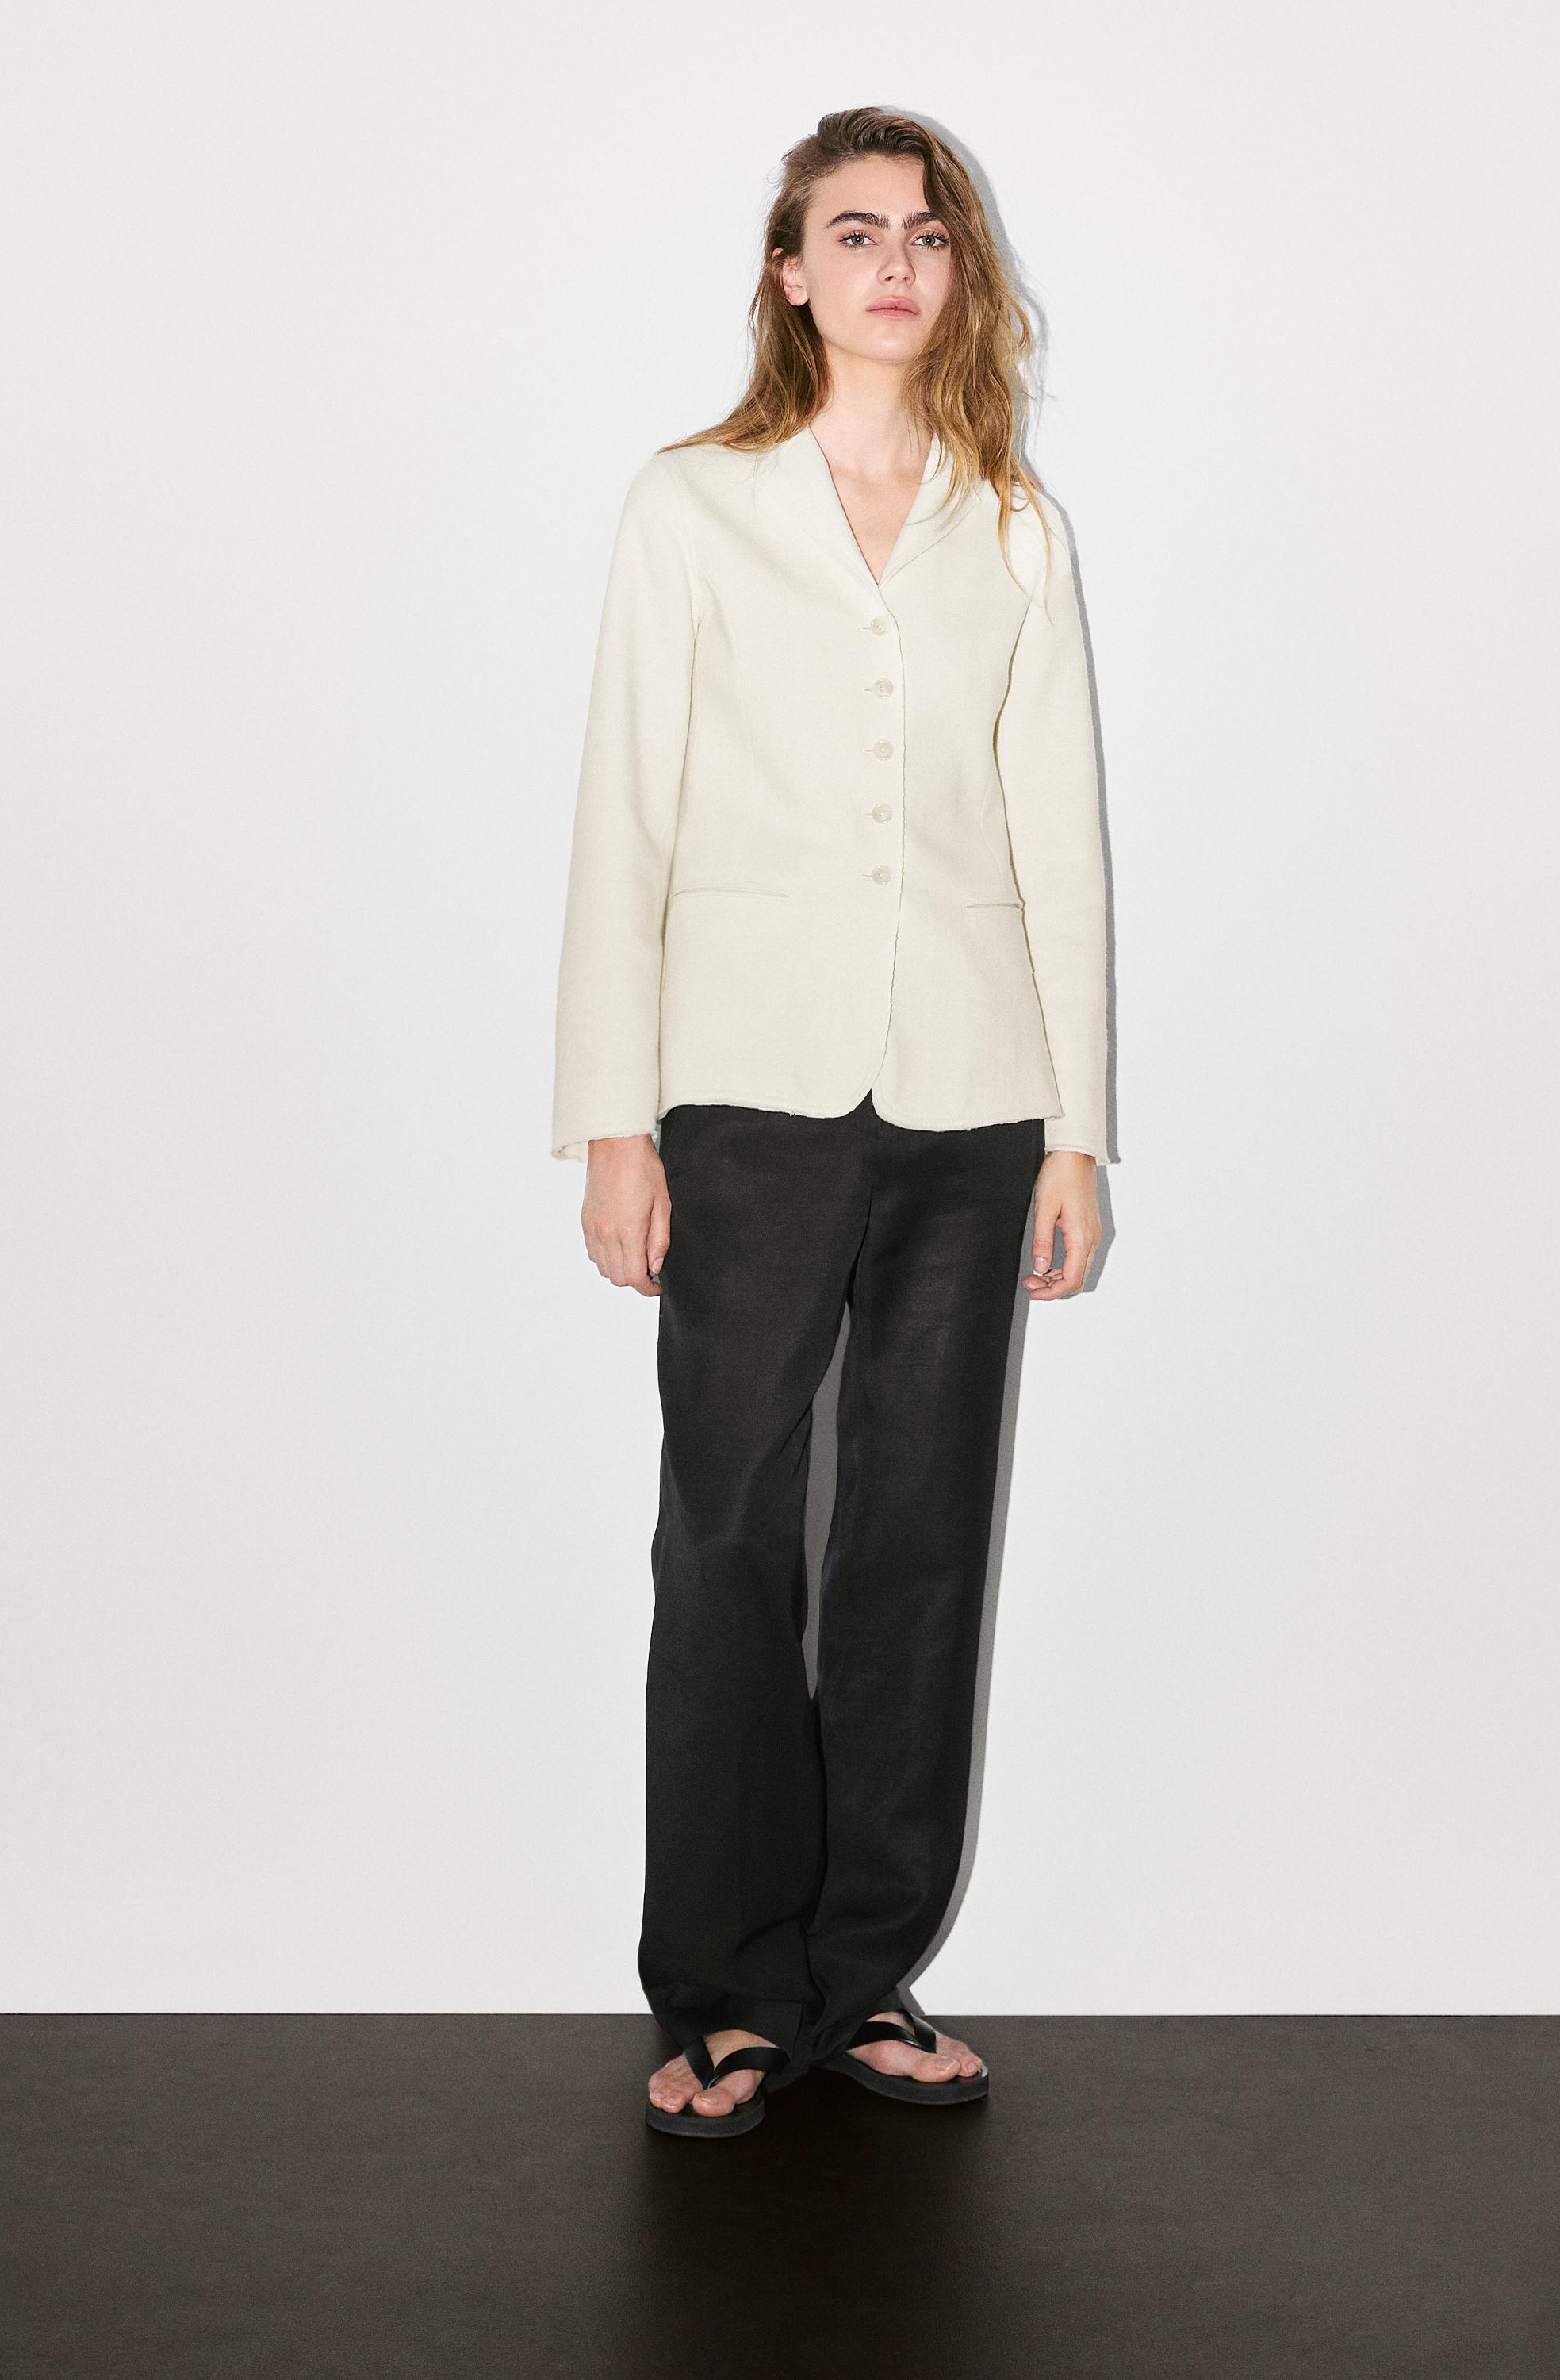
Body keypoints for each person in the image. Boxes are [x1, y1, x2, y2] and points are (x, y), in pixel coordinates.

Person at [552, 106, 1110, 2138]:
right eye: (854, 232)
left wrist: (1076, 1129)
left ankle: (865, 1972)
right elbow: (626, 810)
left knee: (918, 1540)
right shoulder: (692, 505)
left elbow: (1059, 835)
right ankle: (721, 1986)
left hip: (973, 1097)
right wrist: (615, 1121)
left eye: (927, 235)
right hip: (748, 1094)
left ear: (960, 275)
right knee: (724, 1533)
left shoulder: (1011, 522)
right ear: (790, 272)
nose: (895, 264)